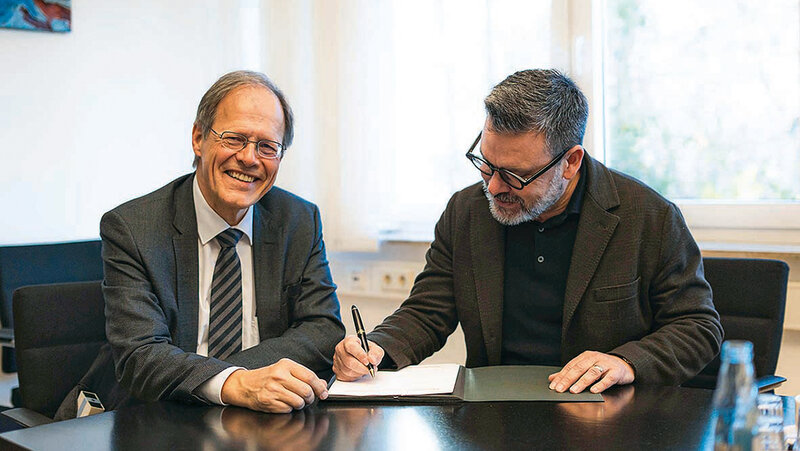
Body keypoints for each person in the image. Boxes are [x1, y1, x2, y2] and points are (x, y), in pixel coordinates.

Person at [333, 69, 722, 394]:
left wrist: (625, 362)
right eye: (486, 164)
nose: (494, 187)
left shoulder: (648, 217)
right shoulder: (466, 211)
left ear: (570, 162)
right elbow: (428, 310)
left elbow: (697, 328)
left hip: (602, 416)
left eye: (515, 175)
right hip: (493, 412)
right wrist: (376, 348)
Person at [96, 70, 344, 414]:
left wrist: (237, 378)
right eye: (234, 138)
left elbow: (323, 329)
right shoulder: (134, 228)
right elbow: (140, 355)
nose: (249, 158)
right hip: (164, 415)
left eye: (267, 146)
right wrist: (232, 382)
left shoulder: (298, 220)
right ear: (198, 139)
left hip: (264, 418)